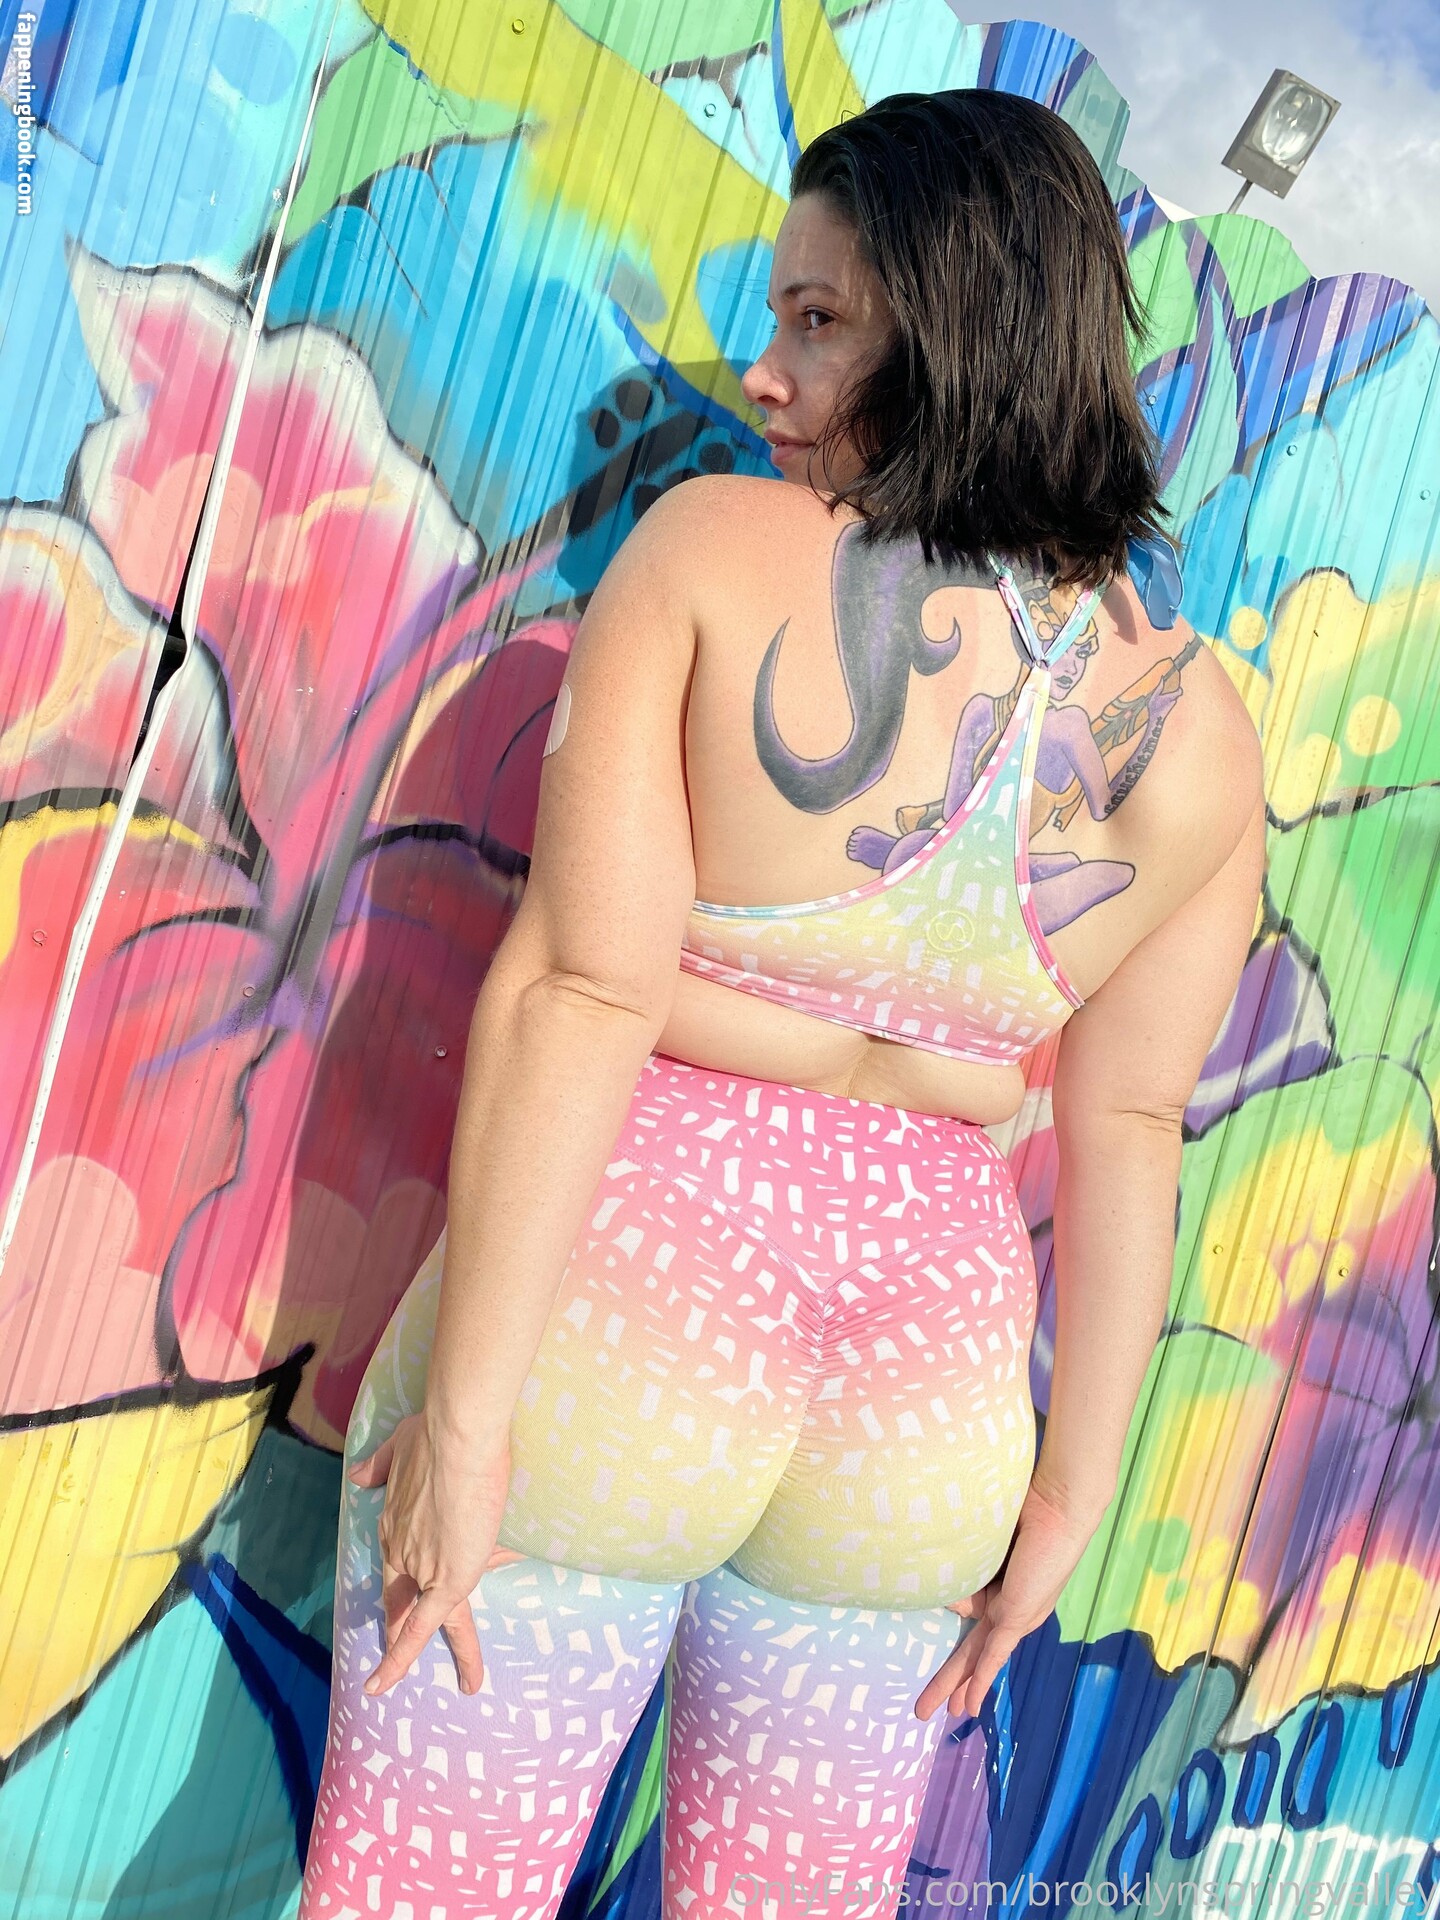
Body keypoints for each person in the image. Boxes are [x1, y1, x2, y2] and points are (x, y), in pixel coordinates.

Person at [299, 88, 1264, 1920]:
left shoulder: (714, 551)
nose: (765, 373)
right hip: (925, 1405)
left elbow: (583, 989)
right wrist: (1067, 1497)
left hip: (621, 1325)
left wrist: (472, 1418)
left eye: (818, 321)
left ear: (955, 327)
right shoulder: (1205, 726)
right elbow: (1131, 1126)